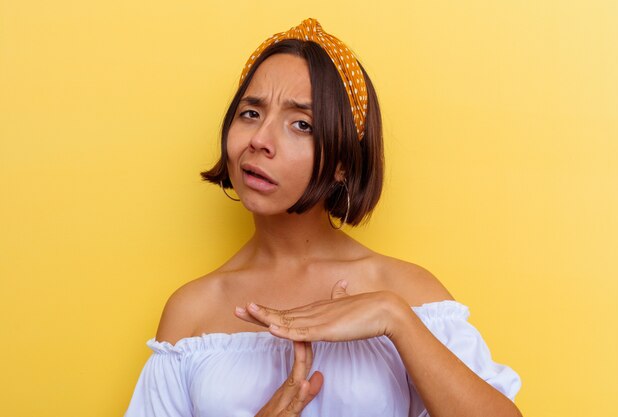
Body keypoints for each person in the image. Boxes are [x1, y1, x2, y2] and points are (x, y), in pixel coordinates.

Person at [124, 18, 522, 417]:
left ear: (343, 164)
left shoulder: (406, 291)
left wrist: (393, 317)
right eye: (250, 113)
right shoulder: (191, 312)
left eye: (301, 124)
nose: (260, 139)